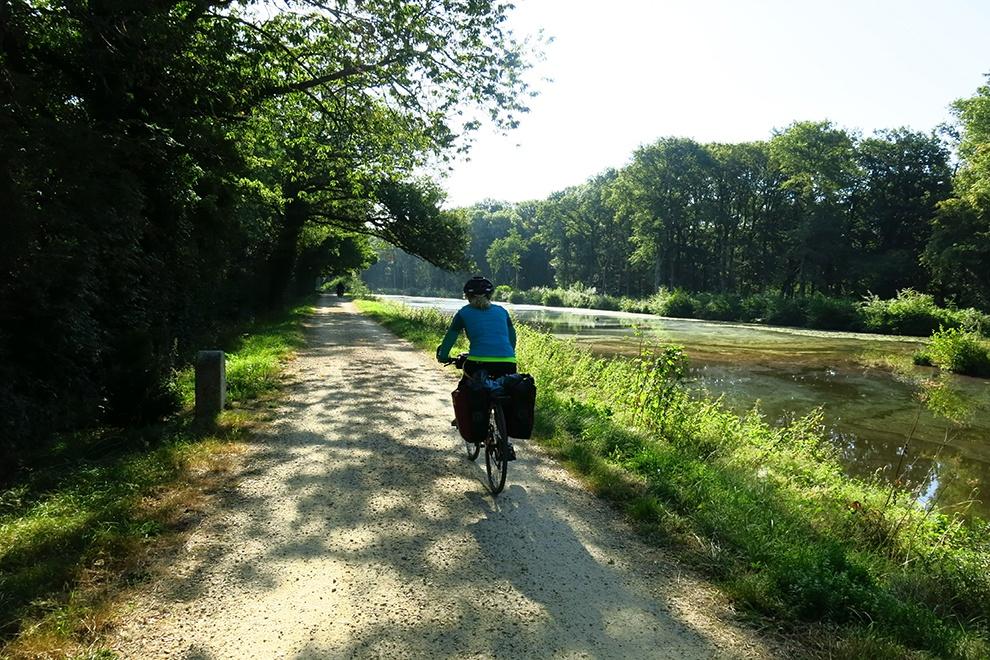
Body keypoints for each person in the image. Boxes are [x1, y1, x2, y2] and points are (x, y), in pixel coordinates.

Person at [437, 276, 518, 454]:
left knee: (465, 387)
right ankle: (505, 440)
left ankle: (464, 420)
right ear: (491, 295)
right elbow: (512, 338)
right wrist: (507, 354)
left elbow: (450, 338)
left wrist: (443, 356)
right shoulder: (502, 312)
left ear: (467, 296)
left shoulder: (463, 313)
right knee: (504, 395)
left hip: (478, 362)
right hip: (508, 362)